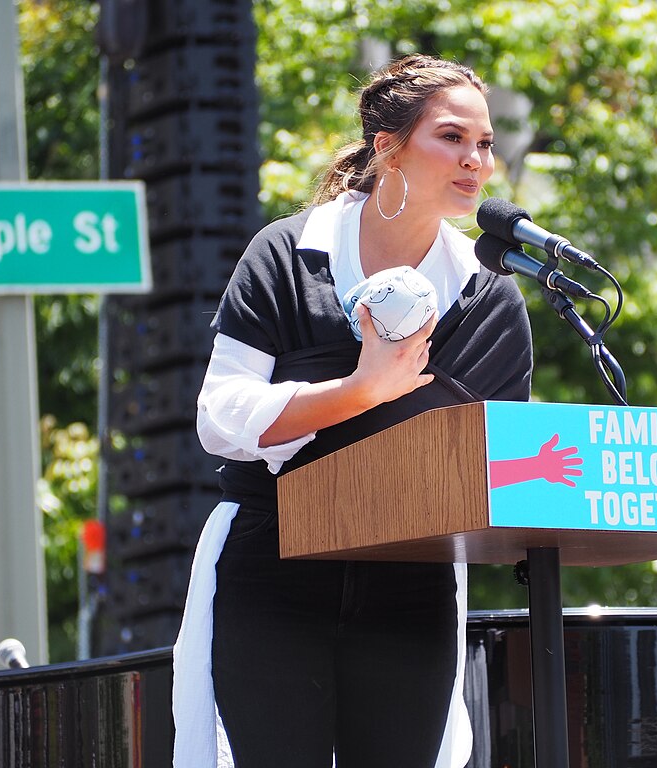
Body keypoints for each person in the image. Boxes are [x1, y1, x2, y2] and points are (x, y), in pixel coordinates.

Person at [172, 54, 533, 768]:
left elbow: (497, 460)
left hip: (412, 579)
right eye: (453, 138)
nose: (476, 161)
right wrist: (364, 389)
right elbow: (221, 417)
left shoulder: (489, 296)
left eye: (485, 144)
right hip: (272, 566)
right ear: (387, 147)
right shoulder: (283, 254)